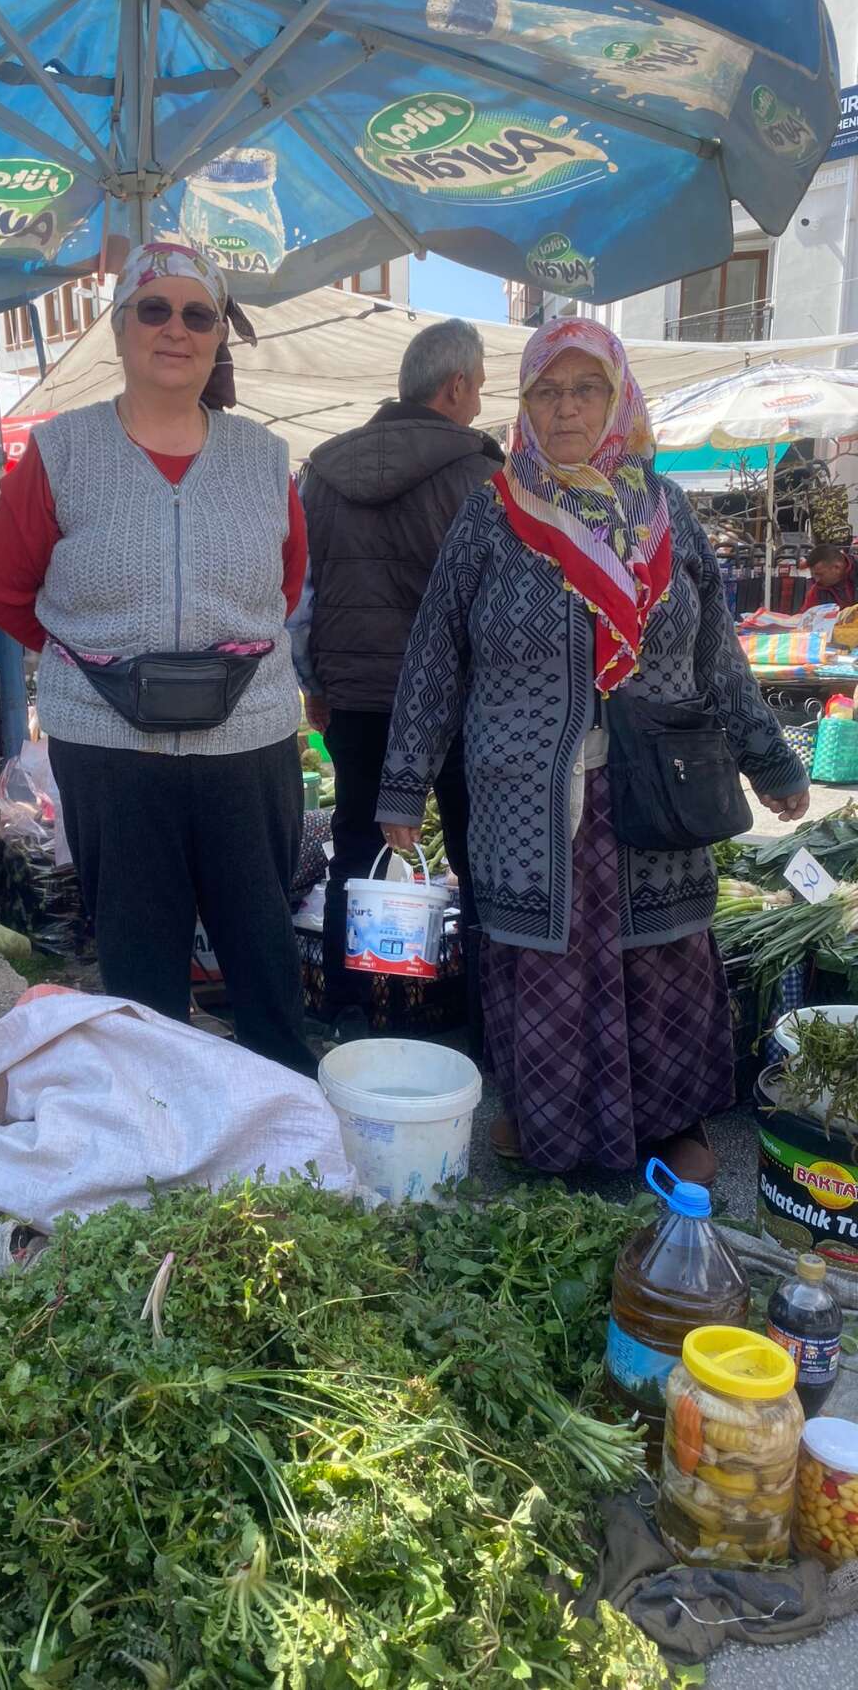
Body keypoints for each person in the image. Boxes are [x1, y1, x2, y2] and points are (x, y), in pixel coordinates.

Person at [377, 318, 808, 1185]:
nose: (566, 407)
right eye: (547, 389)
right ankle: (545, 1121)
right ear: (524, 402)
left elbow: (715, 651)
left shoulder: (664, 509)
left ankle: (671, 1120)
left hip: (654, 784)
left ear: (618, 399)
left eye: (586, 389)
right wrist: (402, 785)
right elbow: (434, 653)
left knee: (664, 957)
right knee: (540, 961)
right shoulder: (493, 514)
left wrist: (772, 759)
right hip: (526, 791)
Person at [0, 241, 315, 1078]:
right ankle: (158, 1125)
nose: (175, 329)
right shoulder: (61, 451)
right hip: (111, 748)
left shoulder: (264, 457)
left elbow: (286, 583)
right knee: (137, 959)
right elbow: (3, 589)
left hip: (250, 740)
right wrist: (96, 665)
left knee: (263, 948)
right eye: (152, 309)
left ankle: (285, 1118)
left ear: (217, 337)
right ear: (120, 327)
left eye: (197, 314)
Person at [294, 319, 502, 1040]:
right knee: (480, 855)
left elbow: (302, 598)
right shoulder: (479, 474)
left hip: (352, 695)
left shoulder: (320, 470)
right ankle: (480, 1020)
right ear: (455, 387)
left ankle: (349, 1008)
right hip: (458, 703)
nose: (479, 400)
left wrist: (311, 682)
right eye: (477, 385)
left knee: (354, 847)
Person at [803, 540, 858, 609]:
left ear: (837, 567)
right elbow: (806, 616)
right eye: (813, 575)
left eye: (820, 574)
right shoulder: (817, 591)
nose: (816, 580)